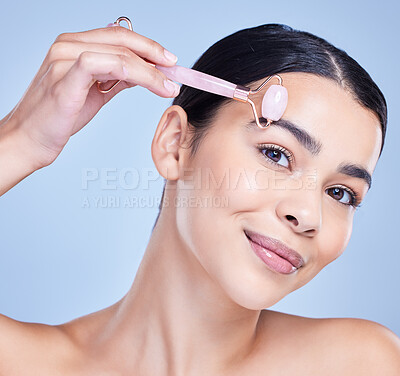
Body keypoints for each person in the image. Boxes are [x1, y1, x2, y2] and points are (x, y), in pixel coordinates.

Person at [0, 19, 399, 375]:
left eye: (341, 193)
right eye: (276, 154)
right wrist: (21, 140)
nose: (307, 214)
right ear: (175, 145)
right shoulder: (20, 363)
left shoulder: (363, 364)